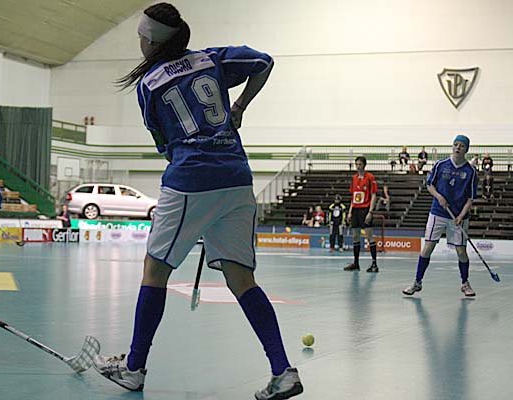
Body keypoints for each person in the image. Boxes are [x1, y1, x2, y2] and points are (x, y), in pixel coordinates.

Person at [92, 4, 303, 400]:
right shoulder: (213, 59)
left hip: (190, 179)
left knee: (155, 270)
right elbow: (263, 62)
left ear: (152, 41)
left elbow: (166, 147)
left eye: (141, 37)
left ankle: (134, 368)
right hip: (237, 179)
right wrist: (238, 107)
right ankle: (283, 371)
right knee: (242, 280)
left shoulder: (149, 85)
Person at [402, 135, 478, 297]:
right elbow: (430, 185)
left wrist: (461, 216)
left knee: (461, 251)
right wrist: (439, 197)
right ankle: (417, 282)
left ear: (466, 149)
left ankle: (465, 283)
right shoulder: (440, 165)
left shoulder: (471, 172)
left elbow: (470, 199)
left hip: (458, 216)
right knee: (428, 247)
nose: (457, 148)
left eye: (461, 146)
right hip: (438, 213)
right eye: (455, 144)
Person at [344, 156, 379, 272]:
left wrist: (370, 212)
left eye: (360, 164)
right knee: (355, 236)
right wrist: (350, 212)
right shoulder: (354, 178)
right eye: (356, 164)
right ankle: (356, 263)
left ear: (364, 165)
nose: (358, 166)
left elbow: (374, 195)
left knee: (369, 236)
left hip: (365, 209)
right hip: (355, 210)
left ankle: (374, 264)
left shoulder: (370, 178)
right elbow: (353, 196)